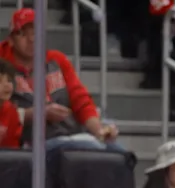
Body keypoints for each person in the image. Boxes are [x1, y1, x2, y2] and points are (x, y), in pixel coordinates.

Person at [0, 8, 126, 157]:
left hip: (69, 135)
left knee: (119, 153)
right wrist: (36, 113)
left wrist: (100, 131)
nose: (31, 39)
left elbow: (81, 100)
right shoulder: (3, 66)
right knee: (86, 147)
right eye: (23, 34)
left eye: (35, 32)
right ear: (11, 39)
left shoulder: (57, 60)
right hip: (31, 144)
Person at [0, 58, 22, 148]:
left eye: (9, 80)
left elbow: (12, 149)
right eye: (0, 81)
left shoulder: (11, 111)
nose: (7, 85)